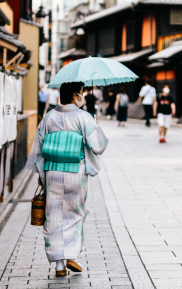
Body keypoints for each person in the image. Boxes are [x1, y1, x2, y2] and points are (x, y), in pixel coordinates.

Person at [25, 82, 108, 277]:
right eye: (81, 93)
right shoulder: (83, 117)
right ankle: (71, 254)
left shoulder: (49, 117)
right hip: (75, 173)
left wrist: (41, 174)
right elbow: (99, 146)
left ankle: (59, 265)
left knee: (53, 215)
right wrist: (96, 126)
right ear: (74, 96)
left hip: (52, 172)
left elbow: (38, 150)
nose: (83, 97)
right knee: (74, 213)